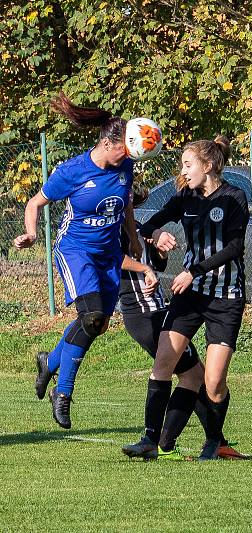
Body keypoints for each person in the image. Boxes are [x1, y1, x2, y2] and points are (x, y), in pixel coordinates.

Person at [16, 92, 140, 429]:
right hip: (75, 251)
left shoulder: (125, 166)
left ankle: (49, 361)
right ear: (106, 143)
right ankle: (63, 392)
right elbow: (34, 203)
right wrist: (31, 234)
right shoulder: (72, 171)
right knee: (92, 316)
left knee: (96, 324)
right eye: (123, 150)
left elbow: (126, 203)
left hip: (109, 256)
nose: (127, 157)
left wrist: (135, 239)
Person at [121, 135, 249, 461]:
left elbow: (234, 247)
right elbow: (148, 224)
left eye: (188, 164)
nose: (183, 171)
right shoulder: (185, 198)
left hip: (225, 298)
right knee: (164, 362)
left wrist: (194, 271)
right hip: (189, 296)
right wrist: (155, 237)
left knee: (214, 382)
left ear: (207, 166)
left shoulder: (234, 197)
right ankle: (149, 439)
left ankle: (214, 441)